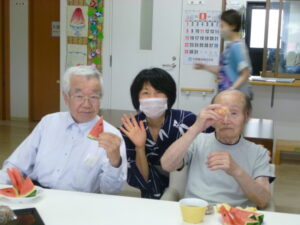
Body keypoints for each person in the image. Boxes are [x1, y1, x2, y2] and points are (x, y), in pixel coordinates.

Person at [0, 66, 127, 194]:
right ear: (66, 97)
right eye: (79, 96)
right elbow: (16, 164)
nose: (87, 104)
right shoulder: (48, 122)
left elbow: (111, 192)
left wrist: (115, 162)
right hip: (36, 195)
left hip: (78, 203)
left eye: (94, 97)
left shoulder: (112, 136)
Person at [161, 90, 274, 208]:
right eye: (220, 113)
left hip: (234, 217)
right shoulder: (197, 141)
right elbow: (167, 165)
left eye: (234, 113)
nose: (226, 121)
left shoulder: (258, 153)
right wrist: (196, 127)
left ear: (246, 116)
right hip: (196, 213)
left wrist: (236, 171)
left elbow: (263, 200)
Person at [120, 68, 201, 199]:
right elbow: (142, 179)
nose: (152, 98)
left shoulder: (187, 120)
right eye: (146, 93)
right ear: (137, 98)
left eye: (158, 92)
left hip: (189, 186)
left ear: (168, 96)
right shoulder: (131, 128)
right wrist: (140, 147)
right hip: (153, 189)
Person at [194, 9, 253, 98]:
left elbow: (245, 74)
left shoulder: (237, 47)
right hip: (227, 94)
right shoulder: (230, 46)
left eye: (222, 26)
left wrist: (231, 90)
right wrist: (205, 67)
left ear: (232, 26)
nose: (220, 29)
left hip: (234, 97)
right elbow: (223, 70)